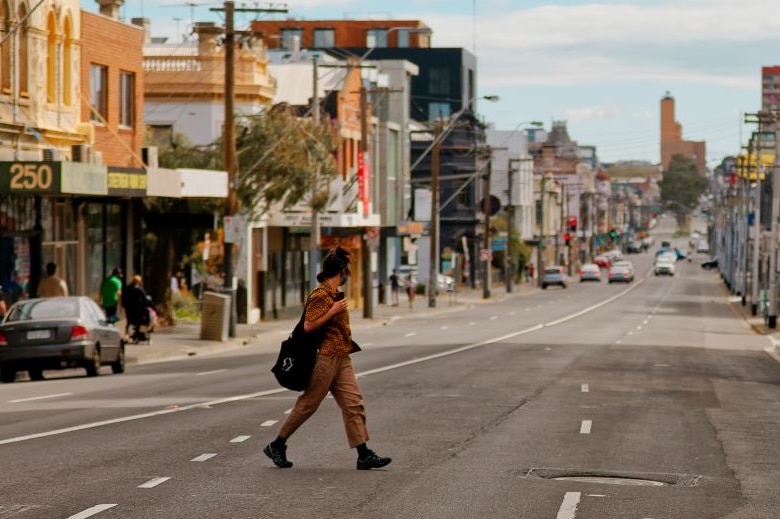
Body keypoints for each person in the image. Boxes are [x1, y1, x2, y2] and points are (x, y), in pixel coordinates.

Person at [264, 246, 391, 471]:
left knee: (354, 404)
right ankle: (277, 444)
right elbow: (309, 325)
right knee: (308, 405)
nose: (346, 276)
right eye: (346, 272)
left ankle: (364, 455)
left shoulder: (333, 295)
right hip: (324, 358)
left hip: (342, 357)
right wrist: (332, 311)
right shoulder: (320, 295)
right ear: (340, 272)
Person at [122, 275, 156, 343]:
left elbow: (124, 298)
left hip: (129, 310)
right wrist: (152, 305)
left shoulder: (127, 288)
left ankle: (129, 335)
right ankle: (139, 335)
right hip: (139, 310)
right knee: (142, 321)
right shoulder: (139, 289)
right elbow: (145, 299)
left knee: (130, 322)